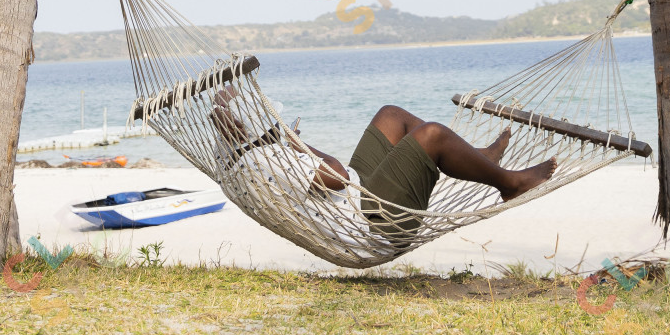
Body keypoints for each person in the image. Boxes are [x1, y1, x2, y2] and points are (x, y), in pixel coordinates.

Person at [211, 91, 555, 231]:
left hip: (361, 194)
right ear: (259, 133)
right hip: (374, 219)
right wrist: (298, 144)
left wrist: (226, 110)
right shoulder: (267, 157)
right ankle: (508, 183)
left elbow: (223, 121)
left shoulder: (238, 156)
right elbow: (335, 177)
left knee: (390, 115)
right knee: (431, 134)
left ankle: (479, 158)